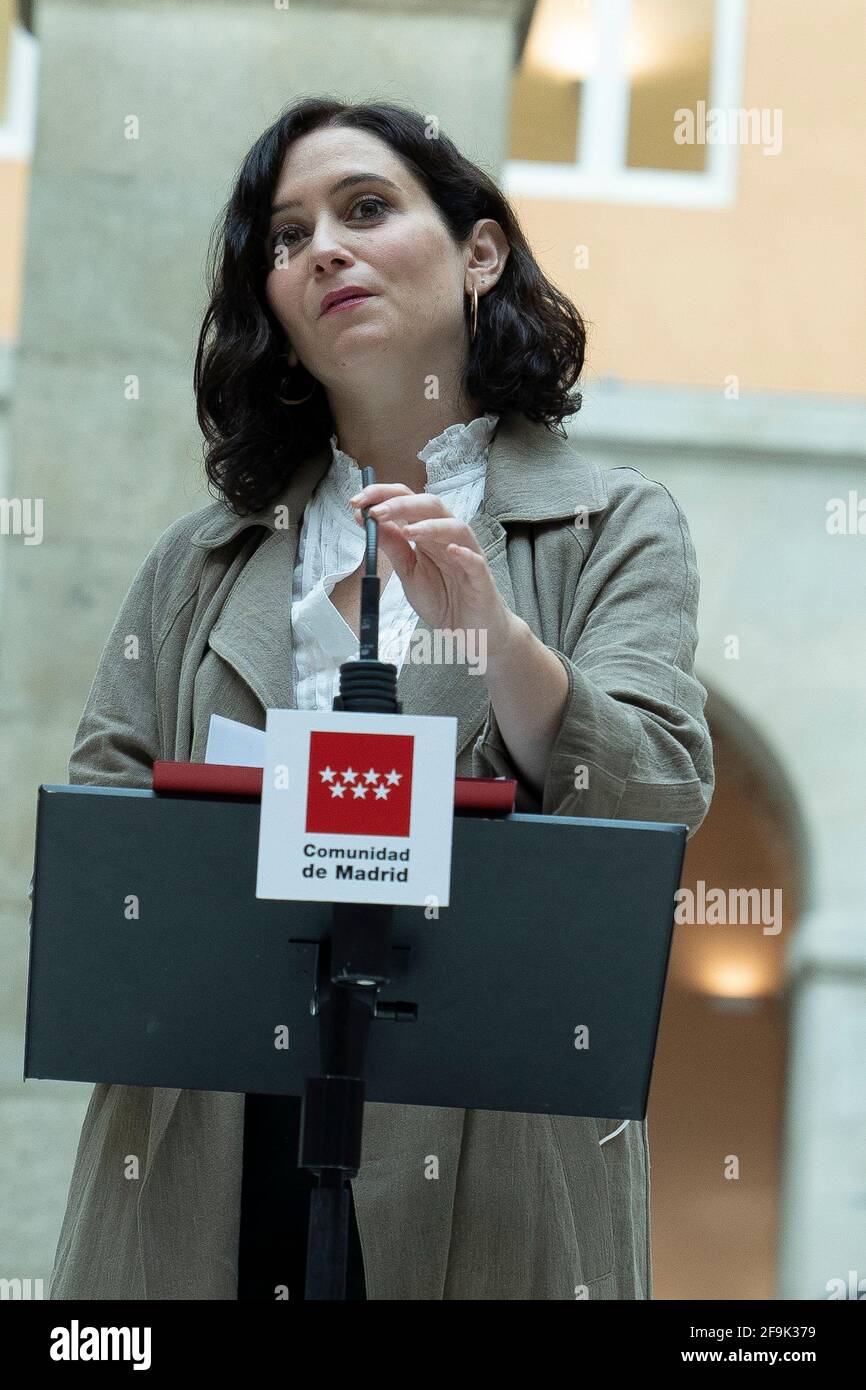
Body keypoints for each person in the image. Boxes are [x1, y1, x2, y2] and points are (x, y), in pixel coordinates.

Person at [47, 97, 714, 1301]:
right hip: (210, 1147)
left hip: (490, 1154)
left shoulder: (613, 523)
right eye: (286, 237)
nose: (322, 251)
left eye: (364, 209)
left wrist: (493, 636)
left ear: (478, 251)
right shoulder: (194, 563)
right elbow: (105, 849)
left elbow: (656, 791)